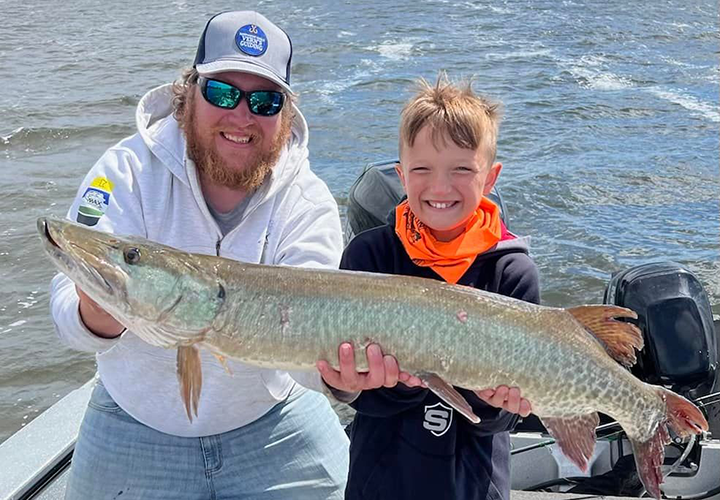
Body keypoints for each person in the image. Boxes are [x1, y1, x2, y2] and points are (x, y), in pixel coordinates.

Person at [50, 11, 419, 499]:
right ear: (188, 95)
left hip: (272, 420)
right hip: (134, 417)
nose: (241, 116)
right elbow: (66, 317)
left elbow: (309, 355)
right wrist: (98, 310)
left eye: (264, 101)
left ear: (285, 119)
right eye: (222, 93)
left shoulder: (305, 200)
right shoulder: (126, 171)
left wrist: (342, 378)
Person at [339, 74, 541, 500]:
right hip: (380, 484)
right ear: (401, 174)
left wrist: (493, 402)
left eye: (462, 170)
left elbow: (504, 420)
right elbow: (358, 399)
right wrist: (377, 384)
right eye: (422, 169)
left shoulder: (513, 271)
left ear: (490, 179)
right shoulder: (368, 257)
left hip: (473, 486)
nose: (440, 187)